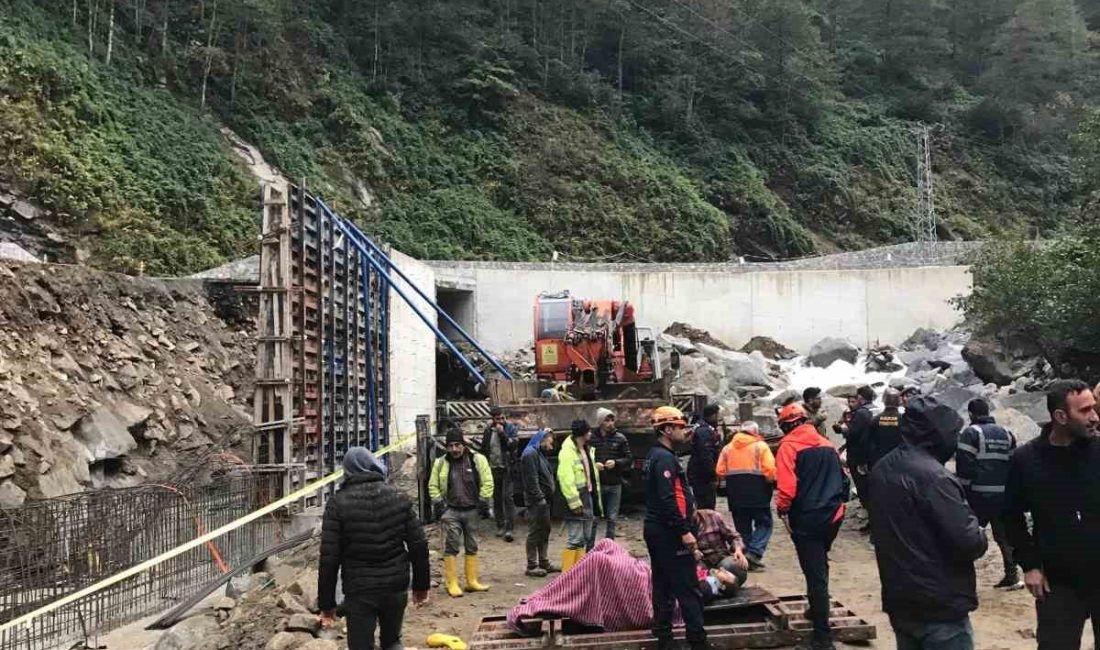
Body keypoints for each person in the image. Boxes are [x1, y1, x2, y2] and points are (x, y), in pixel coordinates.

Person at [868, 396, 988, 650]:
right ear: (939, 435)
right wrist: (980, 531)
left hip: (899, 597)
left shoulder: (881, 469)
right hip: (940, 603)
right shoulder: (935, 478)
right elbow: (969, 542)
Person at [1004, 379, 1100, 650]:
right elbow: (1010, 515)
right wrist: (1029, 565)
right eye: (1085, 411)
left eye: (1094, 407)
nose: (1094, 417)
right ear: (1060, 416)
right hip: (1058, 582)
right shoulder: (1026, 460)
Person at [318, 448, 430, 650]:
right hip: (396, 586)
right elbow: (419, 544)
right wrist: (421, 586)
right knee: (392, 641)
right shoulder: (398, 496)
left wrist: (327, 605)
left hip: (360, 590)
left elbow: (329, 558)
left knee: (361, 645)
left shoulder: (337, 504)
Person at [775, 403, 846, 650]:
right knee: (819, 565)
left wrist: (782, 507)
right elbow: (844, 481)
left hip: (806, 519)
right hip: (833, 516)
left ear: (786, 426)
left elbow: (787, 488)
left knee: (814, 573)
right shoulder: (827, 445)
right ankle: (816, 609)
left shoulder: (788, 446)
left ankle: (822, 638)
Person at [644, 405, 707, 650]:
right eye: (680, 427)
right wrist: (684, 531)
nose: (684, 431)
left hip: (657, 529)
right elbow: (668, 499)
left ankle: (664, 638)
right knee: (688, 589)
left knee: (663, 585)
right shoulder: (664, 459)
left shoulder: (654, 456)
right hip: (668, 532)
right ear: (667, 429)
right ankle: (697, 642)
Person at [956, 398, 1020, 591]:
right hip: (1002, 496)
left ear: (971, 414)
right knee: (1003, 537)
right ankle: (1012, 576)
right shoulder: (1006, 434)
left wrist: (962, 494)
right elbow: (1014, 465)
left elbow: (965, 467)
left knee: (968, 537)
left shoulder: (970, 433)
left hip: (978, 496)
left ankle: (963, 580)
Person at [429, 429, 494, 597]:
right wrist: (440, 506)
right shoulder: (440, 463)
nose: (454, 449)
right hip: (451, 511)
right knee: (451, 544)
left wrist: (483, 501)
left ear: (463, 445)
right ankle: (452, 583)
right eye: (450, 446)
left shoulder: (477, 460)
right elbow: (433, 485)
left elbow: (487, 481)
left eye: (457, 445)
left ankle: (471, 581)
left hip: (472, 510)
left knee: (472, 544)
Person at [715, 421, 776, 570]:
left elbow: (720, 471)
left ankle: (746, 558)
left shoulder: (727, 449)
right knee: (765, 523)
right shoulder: (761, 446)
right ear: (755, 432)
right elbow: (770, 472)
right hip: (758, 493)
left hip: (735, 495)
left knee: (742, 528)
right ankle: (754, 553)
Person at [558, 419, 601, 568]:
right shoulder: (567, 452)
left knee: (583, 538)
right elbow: (565, 479)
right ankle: (567, 575)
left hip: (586, 496)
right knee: (575, 538)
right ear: (582, 434)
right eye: (588, 431)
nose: (590, 433)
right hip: (577, 499)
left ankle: (578, 572)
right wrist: (574, 502)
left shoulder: (585, 449)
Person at [521, 429, 560, 577]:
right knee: (535, 531)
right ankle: (532, 565)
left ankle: (544, 562)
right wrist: (540, 499)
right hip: (537, 502)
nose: (552, 444)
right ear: (543, 439)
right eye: (551, 440)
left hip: (543, 501)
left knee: (544, 530)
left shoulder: (539, 453)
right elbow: (532, 481)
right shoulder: (530, 454)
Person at [590, 407, 633, 540]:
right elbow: (583, 457)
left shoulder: (620, 438)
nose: (610, 423)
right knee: (594, 518)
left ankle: (610, 547)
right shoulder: (591, 438)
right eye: (606, 420)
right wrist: (594, 465)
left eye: (612, 420)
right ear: (600, 422)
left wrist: (616, 462)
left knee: (612, 518)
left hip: (615, 483)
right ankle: (590, 547)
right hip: (597, 484)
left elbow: (629, 458)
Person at [481, 407, 518, 542]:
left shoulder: (511, 429)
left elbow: (512, 445)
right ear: (493, 419)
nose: (501, 421)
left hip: (507, 468)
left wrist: (502, 434)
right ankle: (500, 526)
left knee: (507, 498)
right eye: (498, 419)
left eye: (503, 418)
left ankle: (509, 529)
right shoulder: (488, 431)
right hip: (493, 468)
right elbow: (484, 448)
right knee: (496, 498)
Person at [844, 386, 877, 521]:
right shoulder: (876, 409)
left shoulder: (861, 413)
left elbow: (853, 433)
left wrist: (842, 429)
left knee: (862, 485)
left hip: (859, 455)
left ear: (861, 398)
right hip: (874, 454)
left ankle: (870, 514)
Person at [693, 508, 750, 582]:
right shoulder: (680, 525)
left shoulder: (713, 516)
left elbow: (734, 537)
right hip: (699, 562)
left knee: (735, 565)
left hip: (720, 557)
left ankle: (730, 587)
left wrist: (738, 550)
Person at [688, 404, 722, 510]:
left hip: (700, 474)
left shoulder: (703, 427)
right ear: (712, 415)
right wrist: (712, 475)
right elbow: (706, 455)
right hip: (702, 476)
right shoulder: (704, 431)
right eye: (717, 415)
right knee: (706, 506)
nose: (718, 418)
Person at [868, 389, 903, 469]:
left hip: (879, 460)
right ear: (899, 402)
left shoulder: (875, 419)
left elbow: (869, 440)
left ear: (884, 401)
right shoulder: (903, 419)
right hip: (899, 459)